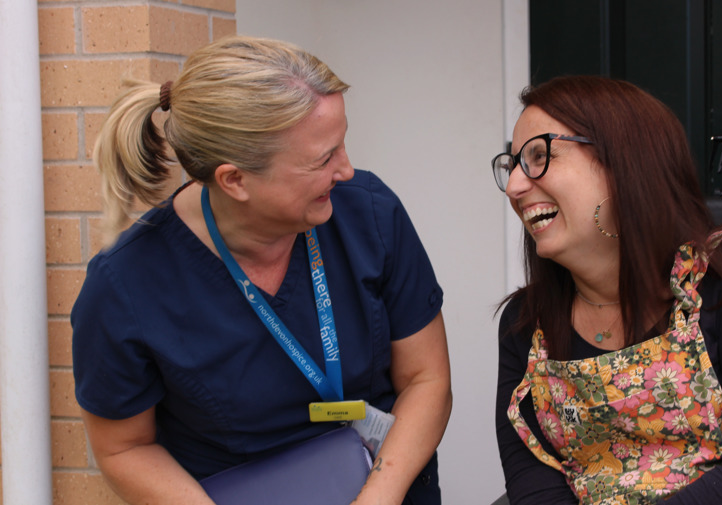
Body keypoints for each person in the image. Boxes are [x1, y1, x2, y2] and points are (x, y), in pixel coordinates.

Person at [71, 36, 451, 505]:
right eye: (323, 158)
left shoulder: (369, 214)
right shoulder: (124, 287)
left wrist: (379, 496)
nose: (347, 170)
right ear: (235, 180)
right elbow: (124, 447)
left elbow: (426, 379)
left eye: (342, 144)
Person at [492, 75, 722, 504]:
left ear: (622, 161)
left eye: (538, 156)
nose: (515, 186)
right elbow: (535, 490)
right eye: (512, 164)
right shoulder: (525, 327)